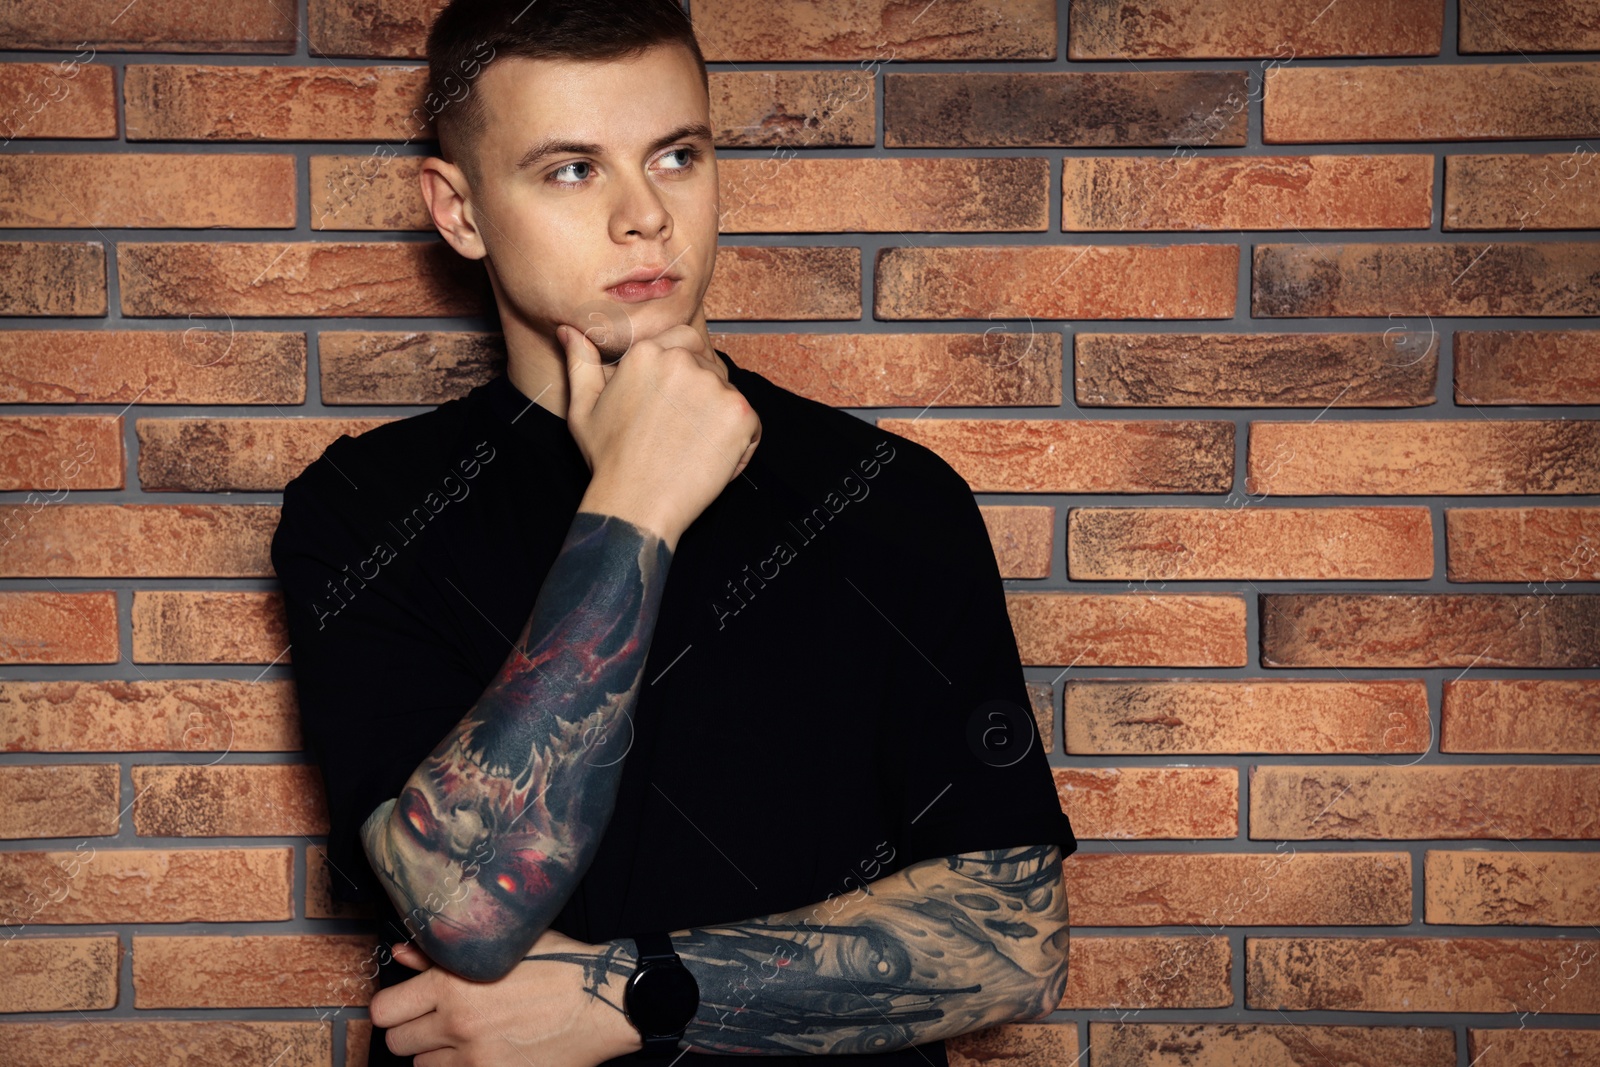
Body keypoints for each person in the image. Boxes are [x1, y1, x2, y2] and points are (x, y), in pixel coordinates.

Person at [269, 2, 1077, 1065]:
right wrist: (637, 501)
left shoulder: (892, 498)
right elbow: (463, 904)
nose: (643, 216)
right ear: (458, 212)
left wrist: (628, 995)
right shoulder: (366, 510)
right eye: (571, 169)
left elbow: (1013, 940)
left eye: (677, 156)